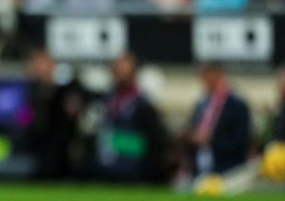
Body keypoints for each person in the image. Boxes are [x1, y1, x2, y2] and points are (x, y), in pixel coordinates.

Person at [95, 53, 169, 184]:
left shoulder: (142, 103)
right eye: (116, 69)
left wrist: (114, 141)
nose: (118, 72)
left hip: (132, 171)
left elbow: (150, 141)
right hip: (105, 168)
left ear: (133, 72)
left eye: (123, 69)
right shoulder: (109, 99)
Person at [179, 62, 253, 180]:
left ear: (219, 75)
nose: (204, 80)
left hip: (228, 169)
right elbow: (193, 128)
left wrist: (211, 140)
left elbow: (241, 140)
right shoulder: (201, 104)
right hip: (200, 167)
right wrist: (190, 136)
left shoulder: (237, 106)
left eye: (207, 75)